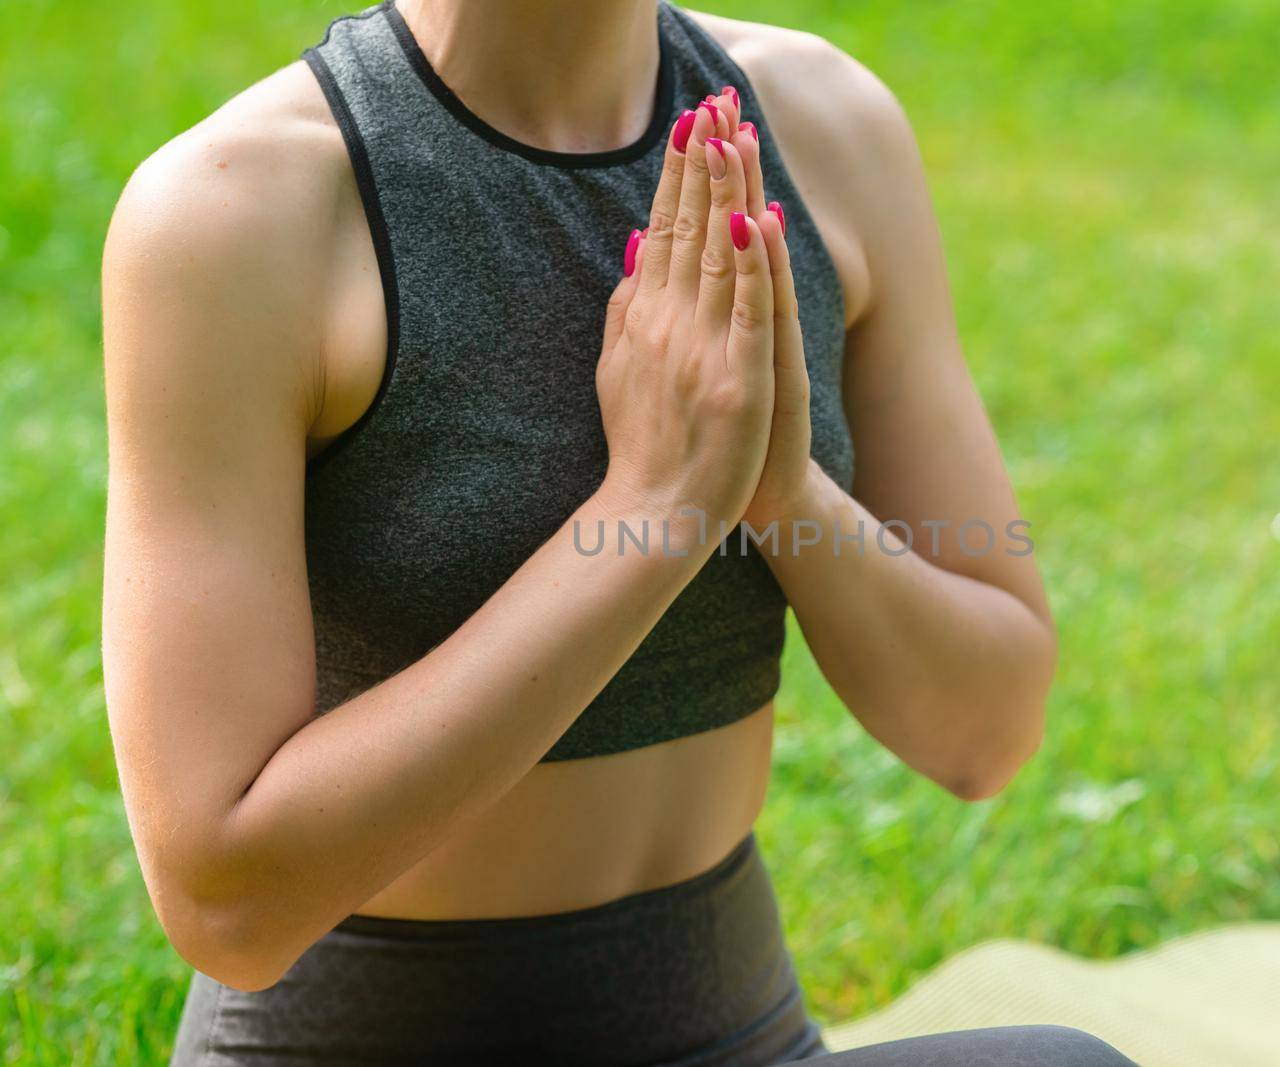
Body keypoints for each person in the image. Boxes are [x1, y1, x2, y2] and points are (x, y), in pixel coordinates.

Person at [101, 1, 1132, 1062]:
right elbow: (228, 902)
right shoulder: (238, 212)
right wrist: (653, 512)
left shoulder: (822, 124)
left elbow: (986, 727)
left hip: (734, 1031)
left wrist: (780, 488)